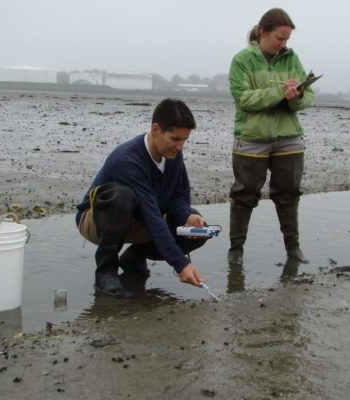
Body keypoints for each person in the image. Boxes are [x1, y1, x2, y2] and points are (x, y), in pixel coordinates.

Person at [75, 98, 209, 299]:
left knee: (198, 229)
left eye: (184, 140)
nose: (180, 146)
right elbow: (152, 217)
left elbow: (179, 197)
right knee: (122, 196)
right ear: (155, 129)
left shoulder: (173, 154)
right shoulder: (128, 160)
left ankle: (134, 256)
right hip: (98, 221)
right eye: (175, 139)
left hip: (140, 219)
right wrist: (181, 264)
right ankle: (105, 272)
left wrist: (186, 216)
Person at [227, 7, 313, 266]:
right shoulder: (241, 60)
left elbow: (307, 97)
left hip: (289, 137)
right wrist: (279, 94)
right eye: (279, 38)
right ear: (263, 33)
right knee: (244, 194)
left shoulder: (291, 58)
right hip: (251, 138)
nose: (283, 44)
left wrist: (297, 96)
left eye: (287, 39)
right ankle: (236, 251)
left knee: (289, 194)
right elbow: (244, 99)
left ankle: (293, 249)